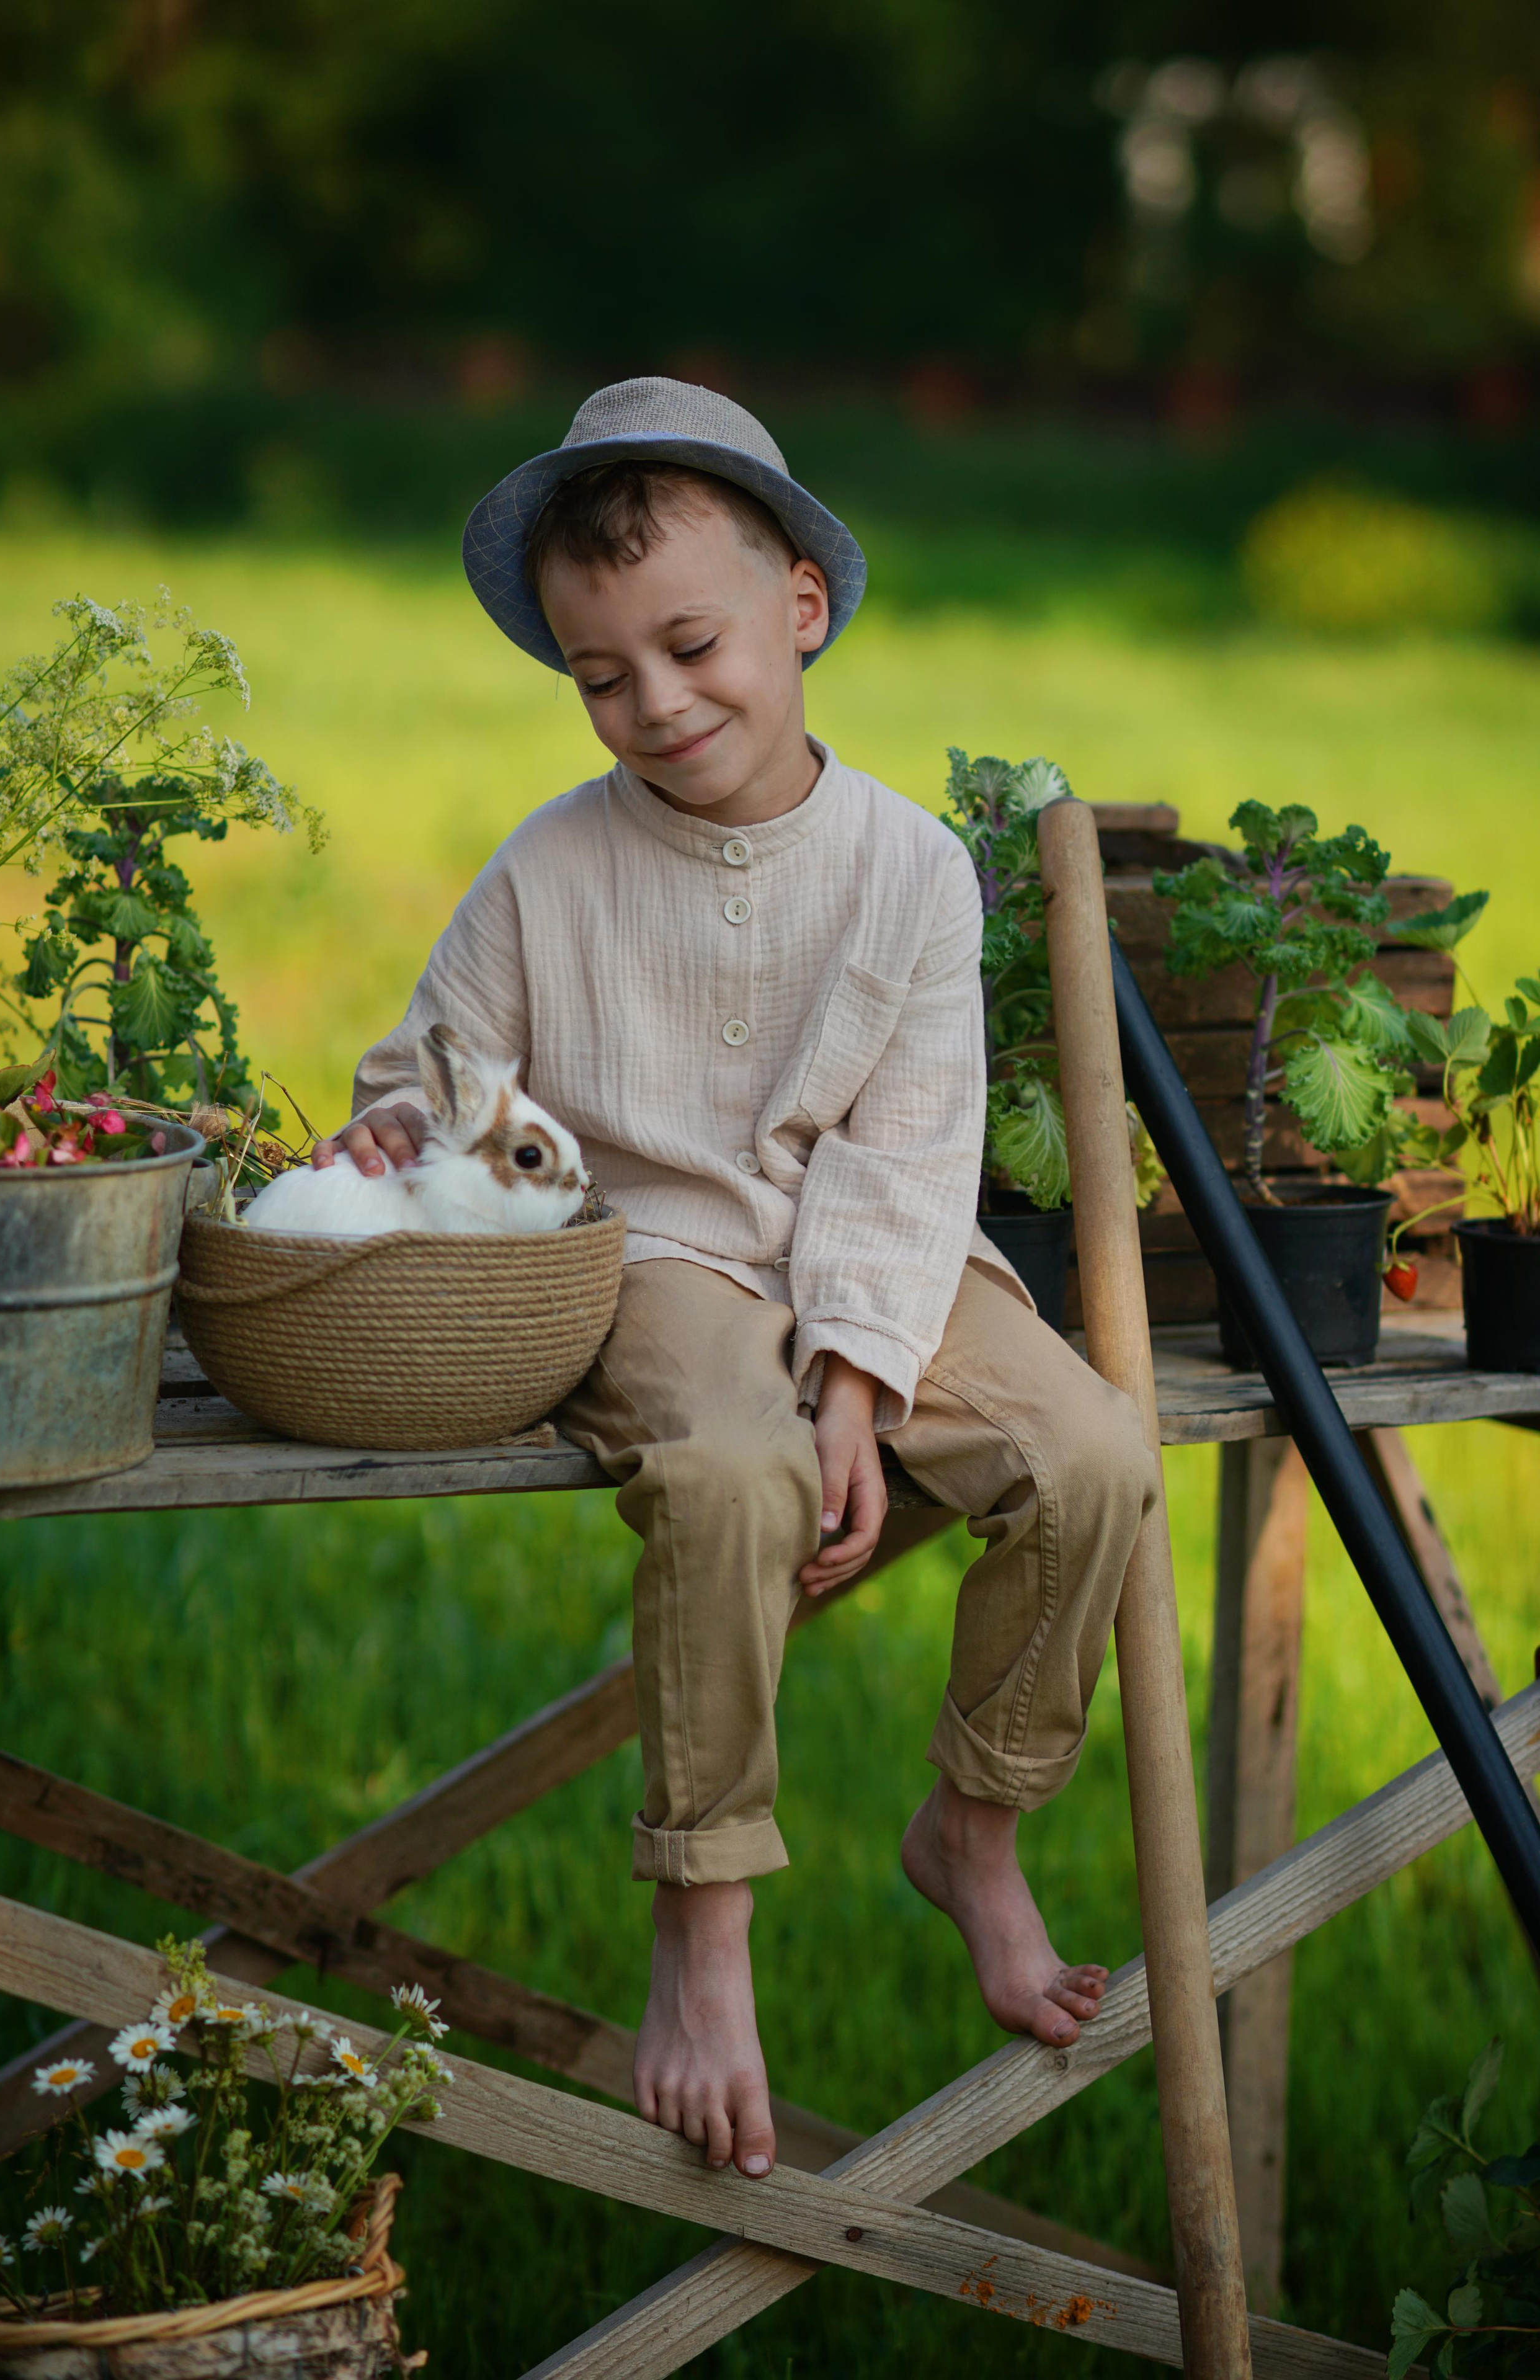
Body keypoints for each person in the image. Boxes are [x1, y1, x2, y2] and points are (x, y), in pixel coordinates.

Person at [315, 378, 1156, 2183]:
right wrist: (400, 1128)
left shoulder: (912, 868)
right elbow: (436, 1071)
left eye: (691, 647)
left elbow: (912, 1147)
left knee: (1091, 1453)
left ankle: (976, 1826)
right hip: (655, 1253)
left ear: (802, 607)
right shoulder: (553, 863)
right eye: (600, 675)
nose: (657, 703)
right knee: (727, 1473)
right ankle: (703, 1913)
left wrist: (859, 1376)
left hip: (885, 1249)